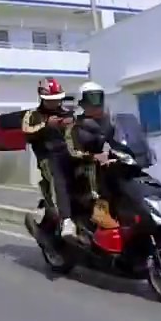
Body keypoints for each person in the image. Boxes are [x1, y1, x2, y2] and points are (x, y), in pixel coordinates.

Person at [23, 77, 78, 238]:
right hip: (48, 158)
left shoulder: (68, 113)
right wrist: (46, 125)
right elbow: (27, 132)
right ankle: (67, 220)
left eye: (57, 99)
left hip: (71, 155)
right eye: (51, 99)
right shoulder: (33, 115)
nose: (55, 102)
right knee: (59, 174)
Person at [65, 81, 120, 230]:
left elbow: (121, 141)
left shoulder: (110, 122)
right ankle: (99, 212)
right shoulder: (75, 125)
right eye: (91, 100)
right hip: (83, 165)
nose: (95, 105)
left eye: (98, 99)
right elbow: (71, 150)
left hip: (108, 164)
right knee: (92, 172)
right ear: (82, 102)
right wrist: (93, 157)